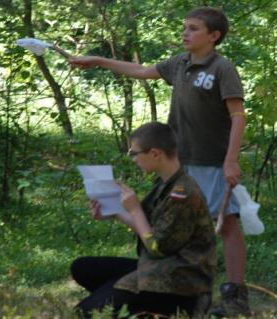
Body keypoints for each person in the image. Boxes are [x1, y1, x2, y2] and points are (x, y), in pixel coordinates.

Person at [70, 7, 249, 318]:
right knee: (168, 220)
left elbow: (238, 115)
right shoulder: (179, 64)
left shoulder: (222, 68)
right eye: (185, 27)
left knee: (227, 224)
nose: (185, 33)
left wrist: (231, 160)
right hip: (179, 160)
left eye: (193, 29)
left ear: (213, 36)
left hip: (212, 161)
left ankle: (235, 295)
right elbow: (141, 71)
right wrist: (97, 61)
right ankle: (164, 280)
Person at [71, 122, 216, 318]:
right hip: (160, 268)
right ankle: (130, 302)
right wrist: (116, 213)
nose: (134, 159)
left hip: (180, 281)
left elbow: (157, 247)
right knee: (83, 267)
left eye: (135, 153)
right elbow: (149, 228)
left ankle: (179, 307)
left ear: (155, 153)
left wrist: (135, 209)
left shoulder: (182, 193)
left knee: (85, 313)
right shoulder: (166, 184)